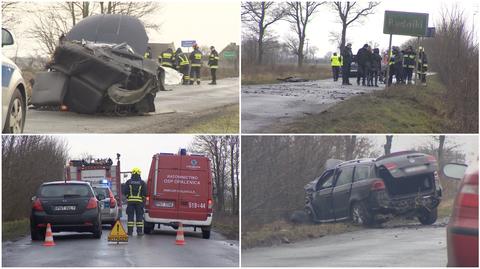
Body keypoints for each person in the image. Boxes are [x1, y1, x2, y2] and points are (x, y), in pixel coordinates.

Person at [122, 167, 147, 236]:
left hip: (130, 202)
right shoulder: (142, 183)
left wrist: (128, 197)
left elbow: (125, 191)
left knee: (130, 217)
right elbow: (144, 193)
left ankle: (130, 232)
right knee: (139, 217)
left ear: (132, 173)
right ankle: (139, 232)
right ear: (139, 173)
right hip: (139, 202)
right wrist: (142, 199)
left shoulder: (128, 182)